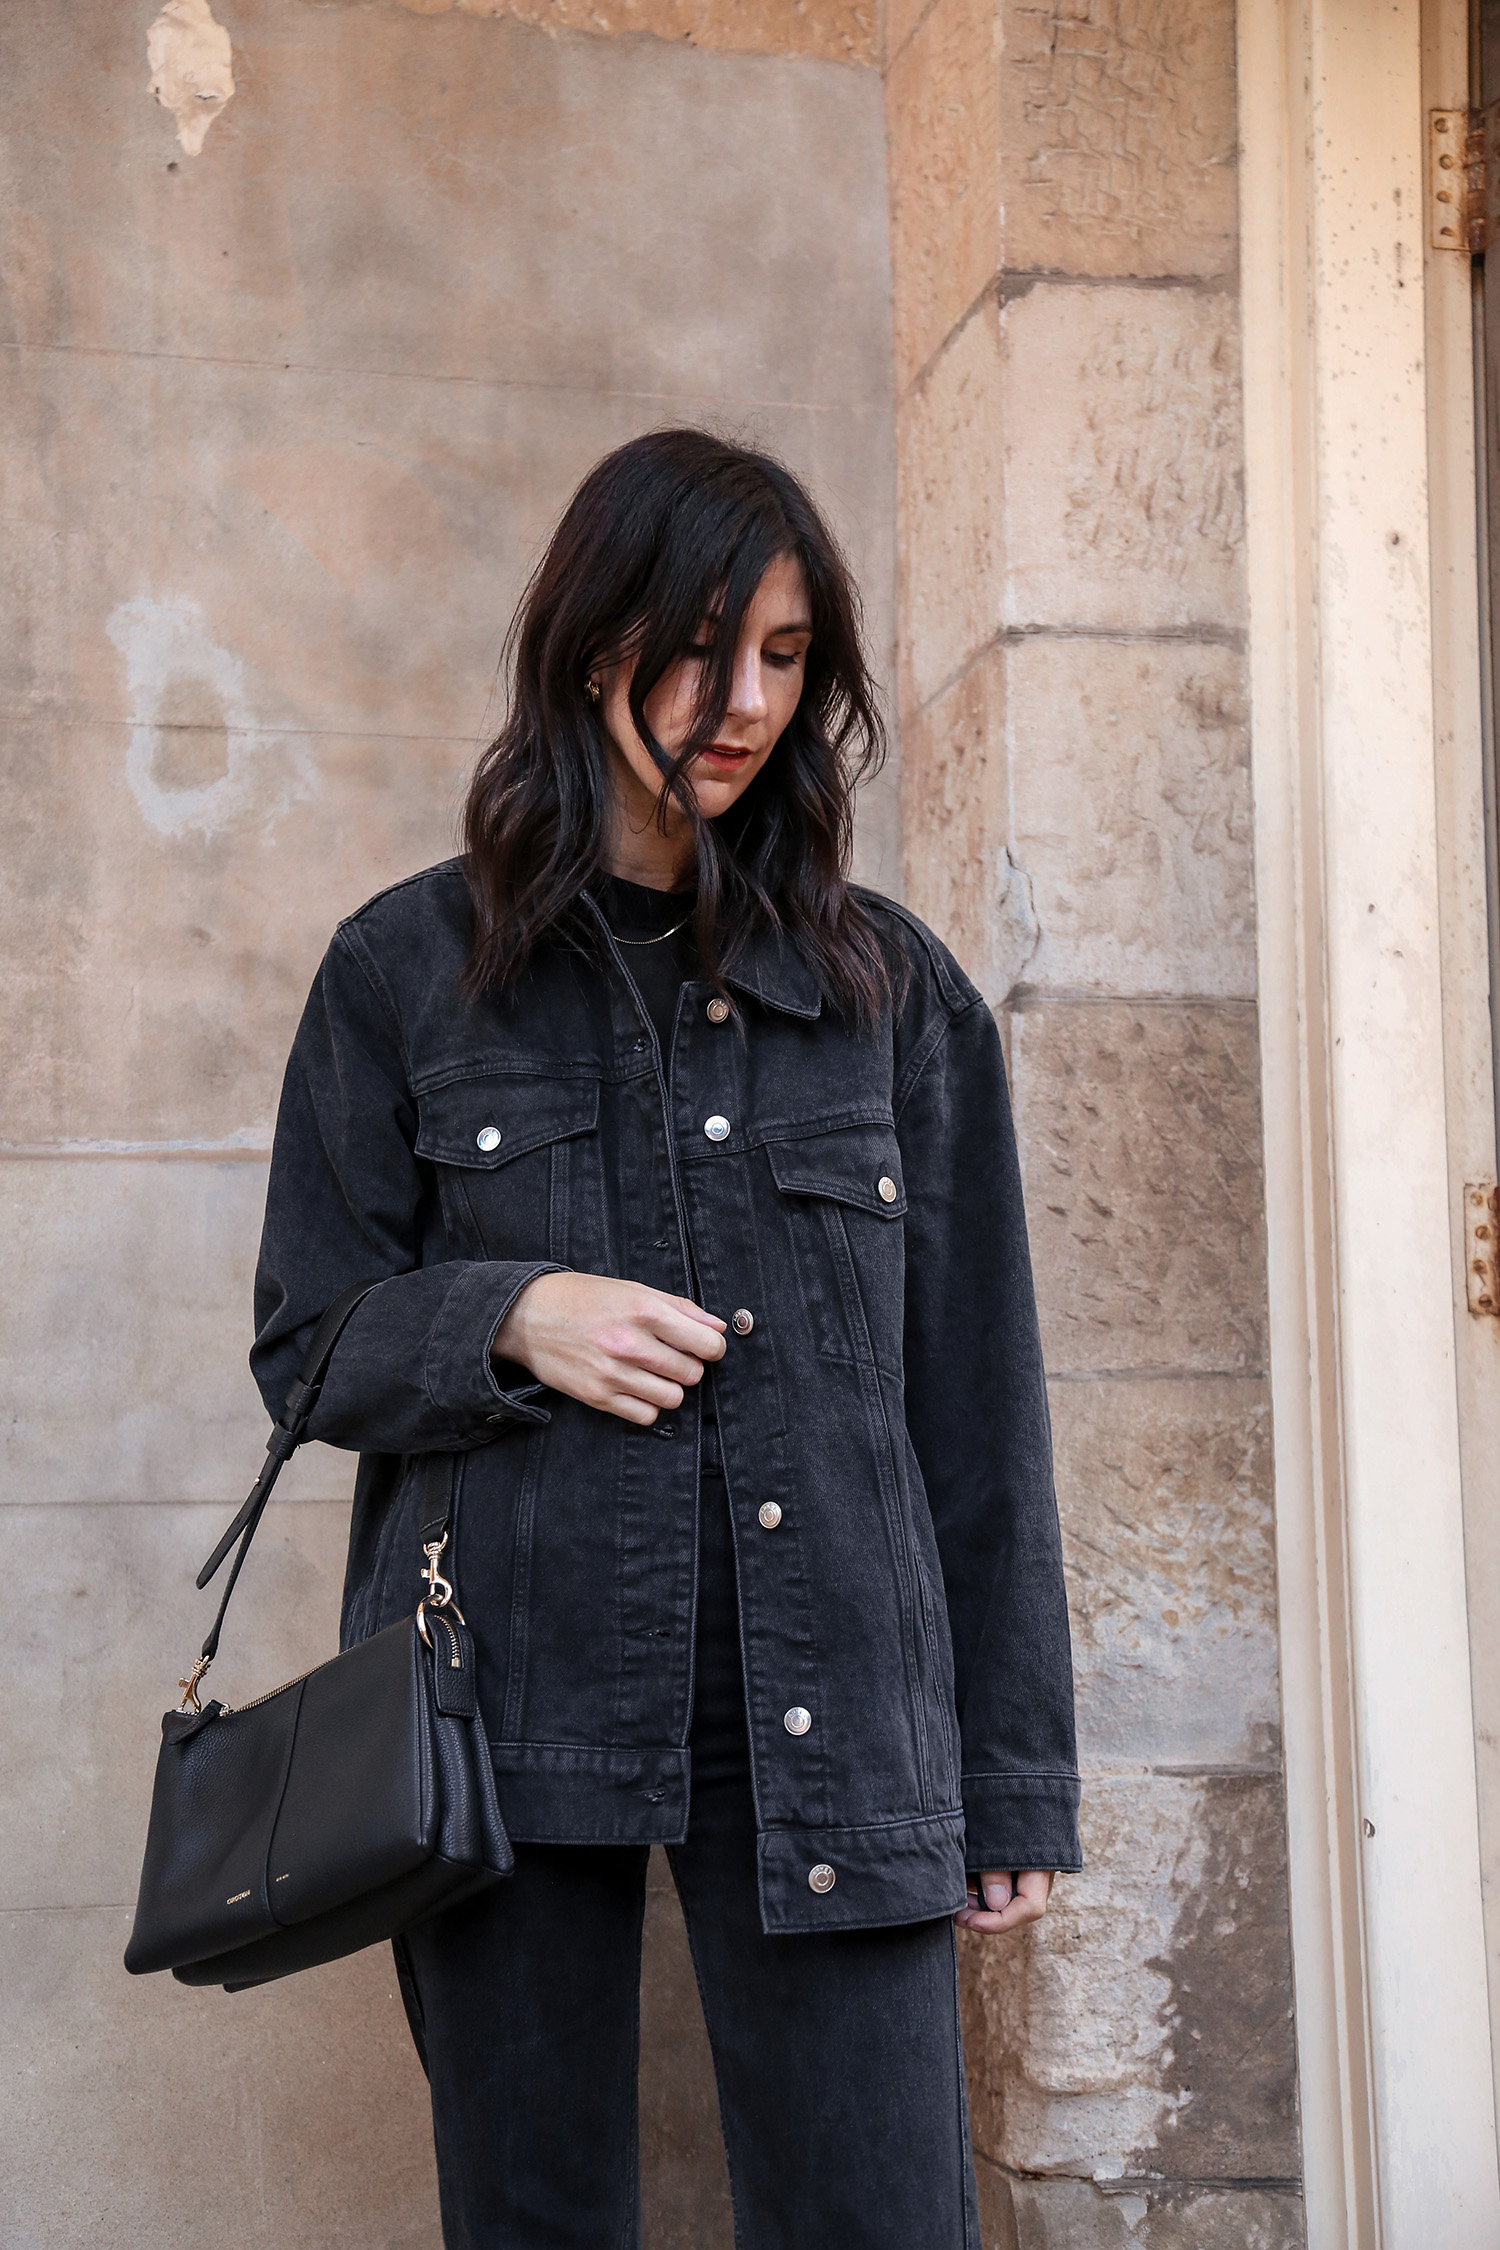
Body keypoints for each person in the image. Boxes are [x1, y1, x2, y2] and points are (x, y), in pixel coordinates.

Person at [251, 428, 1081, 2248]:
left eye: (787, 655)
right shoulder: (408, 971)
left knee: (880, 2215)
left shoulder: (890, 993)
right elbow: (305, 1346)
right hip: (498, 1707)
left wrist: (1009, 1767)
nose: (745, 700)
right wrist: (513, 1313)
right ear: (591, 638)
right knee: (534, 2209)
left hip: (838, 1703)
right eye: (705, 642)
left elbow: (977, 1408)